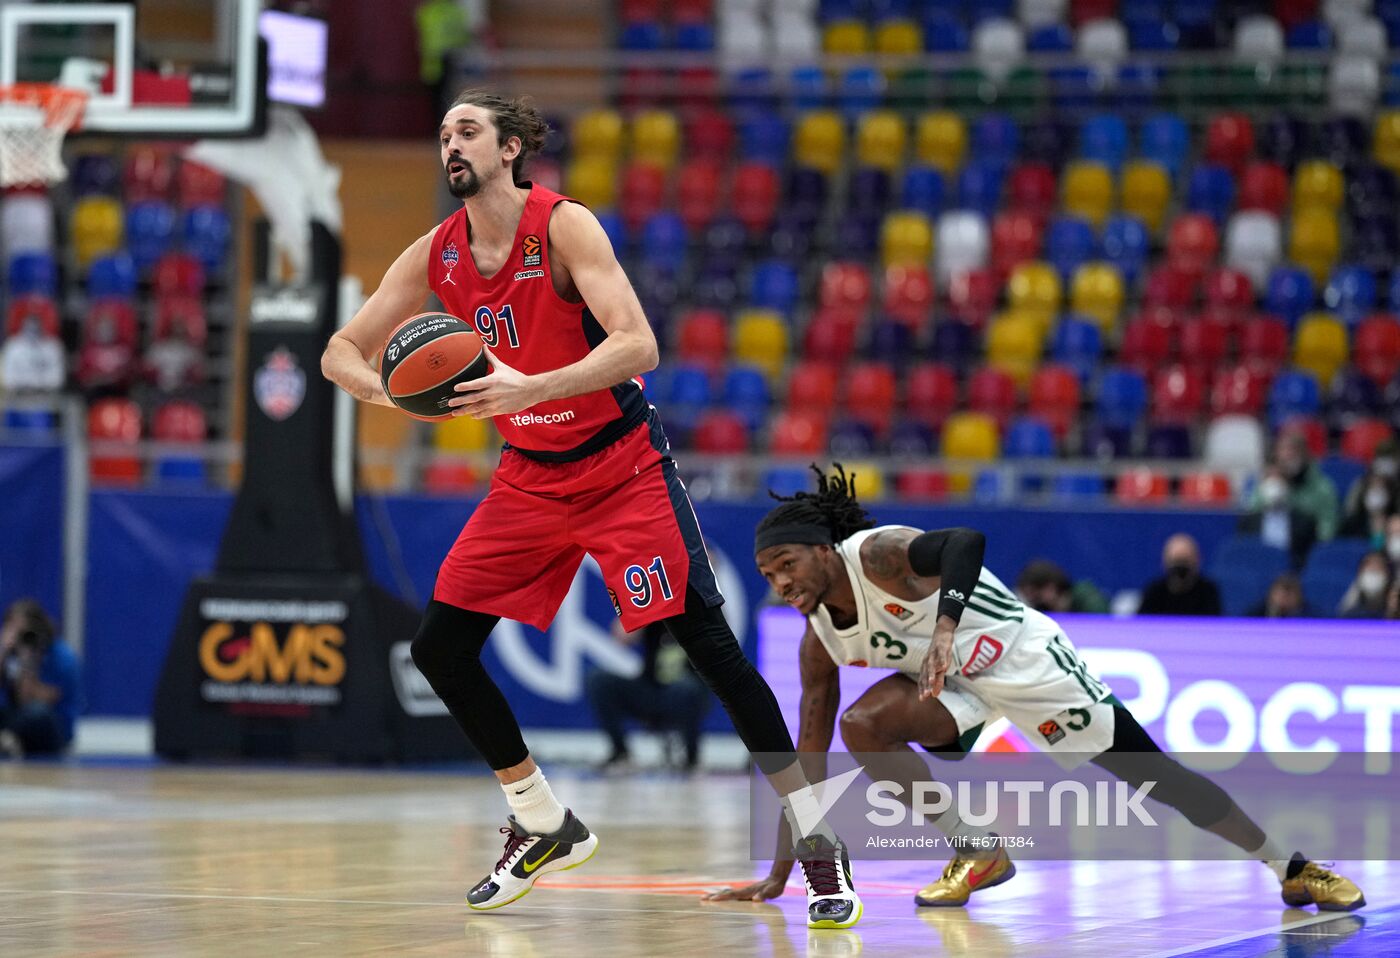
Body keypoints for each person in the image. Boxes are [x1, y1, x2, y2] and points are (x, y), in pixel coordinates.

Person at [321, 90, 859, 928]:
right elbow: (336, 352)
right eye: (441, 135)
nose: (449, 146)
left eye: (465, 131)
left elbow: (638, 343)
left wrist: (528, 385)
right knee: (439, 648)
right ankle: (542, 821)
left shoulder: (563, 227)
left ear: (510, 148)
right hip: (528, 475)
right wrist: (396, 396)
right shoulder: (435, 254)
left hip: (619, 467)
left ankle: (820, 843)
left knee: (711, 650)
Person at [705, 465, 1364, 913]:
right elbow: (806, 768)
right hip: (954, 688)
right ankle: (978, 849)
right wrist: (780, 873)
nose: (781, 585)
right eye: (768, 574)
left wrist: (943, 632)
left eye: (786, 565)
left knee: (1158, 779)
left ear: (823, 550)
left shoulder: (879, 555)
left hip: (1022, 659)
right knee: (859, 727)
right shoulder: (817, 641)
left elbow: (966, 541)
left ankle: (1292, 867)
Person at [586, 619, 710, 773]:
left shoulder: (699, 606)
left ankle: (692, 758)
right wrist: (648, 610)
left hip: (687, 694)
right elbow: (621, 636)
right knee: (599, 680)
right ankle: (621, 753)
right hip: (651, 690)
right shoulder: (655, 607)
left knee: (687, 687)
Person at [0, 599, 80, 757]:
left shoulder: (61, 657)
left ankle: (8, 738)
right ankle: (7, 739)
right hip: (17, 719)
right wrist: (3, 650)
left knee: (38, 713)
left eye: (23, 631)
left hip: (52, 727)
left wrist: (27, 661)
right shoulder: (10, 653)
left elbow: (30, 700)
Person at [1251, 432, 1339, 541]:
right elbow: (1251, 518)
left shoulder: (1322, 488)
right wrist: (1271, 493)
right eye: (1283, 452)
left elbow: (1327, 530)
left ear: (1305, 455)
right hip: (1268, 548)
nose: (1288, 456)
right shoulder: (1266, 485)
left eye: (1294, 451)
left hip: (1305, 548)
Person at [1237, 463, 1319, 569]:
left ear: (1288, 486)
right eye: (1270, 480)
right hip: (1258, 571)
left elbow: (1309, 557)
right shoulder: (1247, 522)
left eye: (1279, 480)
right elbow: (1245, 555)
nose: (1274, 485)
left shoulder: (1305, 522)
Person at [1136, 534, 1222, 616]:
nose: (1180, 569)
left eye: (1185, 562)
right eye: (1175, 562)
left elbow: (1214, 624)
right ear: (1164, 562)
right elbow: (1141, 624)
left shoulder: (1207, 592)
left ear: (1197, 561)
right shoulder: (1155, 592)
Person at [1338, 459, 1398, 548]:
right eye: (1373, 486)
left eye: (1381, 486)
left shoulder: (1396, 524)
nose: (1377, 491)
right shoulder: (1352, 524)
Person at [1014, 559, 1109, 614]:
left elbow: (1103, 624)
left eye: (1036, 595)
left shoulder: (1088, 599)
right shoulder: (1037, 610)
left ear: (1050, 588)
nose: (1032, 600)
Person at [1337, 551, 1393, 619]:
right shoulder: (1350, 612)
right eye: (1369, 565)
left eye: (1378, 566)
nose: (1373, 570)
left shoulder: (1394, 609)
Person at [1247, 572, 1313, 618]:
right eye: (1280, 594)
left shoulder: (1310, 617)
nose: (1284, 599)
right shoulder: (1255, 615)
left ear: (1299, 597)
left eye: (1289, 595)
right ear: (1271, 594)